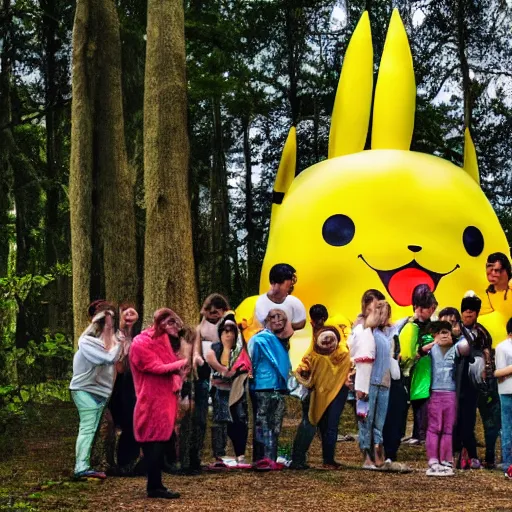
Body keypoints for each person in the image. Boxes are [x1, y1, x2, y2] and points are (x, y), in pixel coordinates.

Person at [130, 308, 189, 500]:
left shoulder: (163, 340)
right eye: (170, 323)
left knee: (162, 439)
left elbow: (169, 362)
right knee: (152, 440)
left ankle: (156, 484)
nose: (175, 327)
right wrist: (182, 364)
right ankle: (153, 485)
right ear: (160, 322)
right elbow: (153, 366)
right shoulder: (141, 342)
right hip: (151, 398)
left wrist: (180, 372)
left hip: (166, 396)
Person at [69, 303, 121, 480]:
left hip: (101, 393)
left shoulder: (110, 342)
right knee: (88, 428)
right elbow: (108, 359)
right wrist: (119, 343)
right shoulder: (87, 341)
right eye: (107, 322)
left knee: (94, 429)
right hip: (84, 390)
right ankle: (81, 468)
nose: (110, 325)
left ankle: (87, 465)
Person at [295, 326, 351, 468]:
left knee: (331, 426)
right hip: (315, 394)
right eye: (324, 342)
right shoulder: (312, 354)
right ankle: (298, 458)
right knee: (310, 424)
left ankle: (328, 460)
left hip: (337, 393)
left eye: (330, 341)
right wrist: (305, 372)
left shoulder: (343, 353)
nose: (327, 344)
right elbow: (303, 368)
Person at [350, 300, 394, 469]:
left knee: (379, 422)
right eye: (378, 312)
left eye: (385, 312)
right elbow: (359, 355)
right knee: (365, 420)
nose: (382, 316)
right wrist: (360, 385)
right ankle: (366, 454)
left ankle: (378, 453)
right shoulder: (365, 332)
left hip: (384, 383)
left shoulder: (386, 334)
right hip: (367, 382)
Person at [423, 321, 470, 477]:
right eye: (441, 332)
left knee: (448, 429)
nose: (444, 335)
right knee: (434, 428)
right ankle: (433, 460)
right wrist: (432, 343)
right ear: (435, 335)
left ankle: (446, 460)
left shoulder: (456, 349)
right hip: (434, 393)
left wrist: (459, 333)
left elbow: (467, 345)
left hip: (450, 394)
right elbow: (418, 353)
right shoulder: (431, 350)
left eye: (447, 332)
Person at [206, 313, 252, 469]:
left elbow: (245, 368)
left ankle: (240, 455)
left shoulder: (241, 350)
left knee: (239, 421)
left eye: (231, 331)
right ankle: (219, 456)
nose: (228, 334)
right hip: (220, 392)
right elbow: (221, 369)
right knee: (219, 422)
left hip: (238, 391)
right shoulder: (214, 348)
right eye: (225, 331)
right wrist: (225, 348)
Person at [190, 294, 230, 473]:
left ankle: (219, 454)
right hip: (203, 376)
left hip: (222, 375)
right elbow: (196, 350)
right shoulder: (199, 329)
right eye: (210, 310)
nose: (214, 314)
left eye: (218, 310)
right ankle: (195, 455)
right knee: (200, 416)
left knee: (221, 415)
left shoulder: (229, 328)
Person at [248, 309, 292, 470]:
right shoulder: (259, 339)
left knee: (275, 424)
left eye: (281, 318)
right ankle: (261, 459)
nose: (277, 321)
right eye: (273, 317)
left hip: (278, 387)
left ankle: (270, 458)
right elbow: (250, 361)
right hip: (262, 386)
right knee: (262, 423)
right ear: (266, 320)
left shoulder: (282, 341)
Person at [458, 293, 497, 469]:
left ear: (477, 313)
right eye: (465, 311)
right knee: (460, 420)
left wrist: (487, 378)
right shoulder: (455, 330)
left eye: (472, 311)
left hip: (478, 384)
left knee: (480, 421)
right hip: (458, 381)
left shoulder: (482, 333)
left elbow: (488, 355)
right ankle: (462, 453)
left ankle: (483, 456)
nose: (468, 314)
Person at [290, 304, 329, 469]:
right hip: (315, 387)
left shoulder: (310, 338)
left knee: (311, 422)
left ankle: (300, 457)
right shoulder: (325, 338)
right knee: (309, 423)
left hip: (310, 386)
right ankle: (298, 458)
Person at [399, 284, 437, 445]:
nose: (432, 311)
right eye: (430, 308)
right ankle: (413, 434)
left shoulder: (429, 325)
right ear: (419, 308)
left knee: (423, 402)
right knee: (416, 403)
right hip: (413, 373)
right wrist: (424, 349)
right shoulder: (410, 326)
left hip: (425, 373)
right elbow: (406, 355)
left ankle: (420, 433)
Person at [107, 304, 141, 475]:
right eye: (124, 312)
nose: (128, 315)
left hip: (133, 385)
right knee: (126, 422)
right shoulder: (116, 337)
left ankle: (130, 461)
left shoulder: (136, 337)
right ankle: (122, 462)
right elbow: (119, 367)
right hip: (119, 386)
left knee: (134, 422)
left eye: (132, 312)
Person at [254, 264, 307, 347]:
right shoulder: (261, 303)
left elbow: (301, 323)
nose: (290, 288)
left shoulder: (295, 302)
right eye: (287, 286)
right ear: (274, 283)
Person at [494, 318, 512, 478]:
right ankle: (507, 461)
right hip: (507, 391)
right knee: (507, 428)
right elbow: (497, 373)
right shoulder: (502, 347)